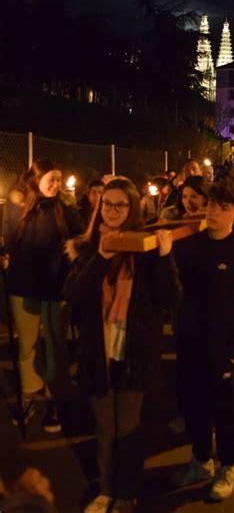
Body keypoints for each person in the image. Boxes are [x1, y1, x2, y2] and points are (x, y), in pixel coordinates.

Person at [64, 178, 181, 513]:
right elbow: (72, 295)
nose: (113, 211)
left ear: (132, 209)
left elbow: (169, 298)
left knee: (128, 428)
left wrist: (165, 258)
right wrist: (100, 257)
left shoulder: (143, 249)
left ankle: (127, 492)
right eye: (107, 204)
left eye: (120, 205)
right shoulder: (86, 247)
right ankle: (105, 488)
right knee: (104, 428)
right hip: (96, 352)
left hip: (133, 352)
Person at [172, 178, 234, 501]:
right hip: (190, 344)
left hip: (222, 351)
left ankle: (227, 466)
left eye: (224, 208)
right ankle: (200, 459)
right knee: (192, 405)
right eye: (211, 205)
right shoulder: (190, 246)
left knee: (225, 412)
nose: (214, 213)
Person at [3, 159, 83, 432]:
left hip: (56, 285)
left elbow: (79, 235)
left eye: (59, 179)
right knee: (27, 344)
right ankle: (29, 393)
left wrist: (75, 248)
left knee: (55, 343)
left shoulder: (66, 206)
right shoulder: (18, 205)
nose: (56, 184)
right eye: (51, 178)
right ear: (36, 179)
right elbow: (10, 240)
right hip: (23, 285)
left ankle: (54, 397)